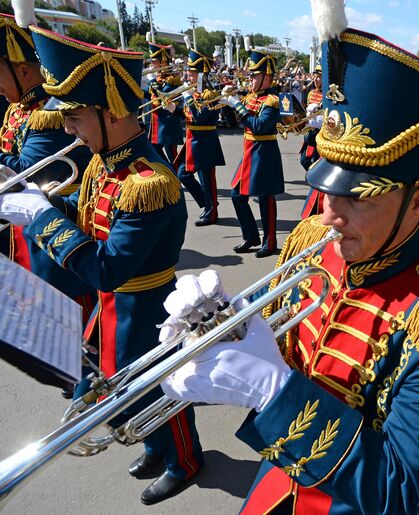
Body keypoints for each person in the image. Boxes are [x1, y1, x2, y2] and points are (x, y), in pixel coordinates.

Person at [159, 5, 419, 512]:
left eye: (358, 197)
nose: (330, 214)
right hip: (275, 477)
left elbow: (398, 491)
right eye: (326, 191)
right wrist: (223, 327)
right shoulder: (315, 239)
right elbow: (274, 333)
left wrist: (274, 393)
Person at [0, 22, 203, 504]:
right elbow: (91, 223)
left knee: (158, 388)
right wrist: (37, 198)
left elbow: (107, 268)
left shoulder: (147, 182)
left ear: (110, 114)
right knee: (127, 383)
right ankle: (155, 444)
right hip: (114, 306)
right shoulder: (101, 162)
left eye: (74, 119)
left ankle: (185, 459)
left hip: (145, 302)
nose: (67, 129)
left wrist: (42, 219)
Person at [0, 12, 94, 328]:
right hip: (25, 226)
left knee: (66, 326)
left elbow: (29, 172)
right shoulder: (19, 106)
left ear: (25, 71)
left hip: (55, 229)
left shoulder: (49, 112)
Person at [220, 48, 284, 257]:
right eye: (251, 75)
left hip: (264, 152)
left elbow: (258, 125)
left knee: (266, 198)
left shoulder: (272, 102)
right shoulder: (251, 97)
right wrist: (226, 102)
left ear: (267, 77)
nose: (251, 79)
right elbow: (238, 119)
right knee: (236, 196)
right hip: (249, 152)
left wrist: (237, 105)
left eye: (254, 75)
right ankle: (250, 236)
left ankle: (270, 241)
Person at [177, 48, 225, 226]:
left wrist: (188, 99)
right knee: (183, 174)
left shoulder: (210, 95)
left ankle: (211, 212)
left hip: (205, 141)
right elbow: (189, 117)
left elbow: (201, 116)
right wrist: (174, 110)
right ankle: (208, 204)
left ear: (201, 74)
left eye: (192, 73)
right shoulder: (195, 92)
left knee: (207, 179)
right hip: (192, 139)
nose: (188, 76)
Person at [144, 38, 184, 166]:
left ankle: (175, 178)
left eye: (155, 61)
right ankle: (169, 172)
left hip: (168, 125)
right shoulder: (158, 78)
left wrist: (152, 83)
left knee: (172, 156)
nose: (152, 64)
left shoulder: (172, 79)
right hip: (157, 125)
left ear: (163, 62)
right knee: (153, 150)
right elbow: (150, 94)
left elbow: (163, 97)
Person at [299, 64, 325, 218]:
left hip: (320, 134)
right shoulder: (311, 94)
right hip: (310, 132)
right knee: (304, 161)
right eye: (315, 76)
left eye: (319, 76)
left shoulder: (327, 96)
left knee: (315, 163)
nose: (316, 79)